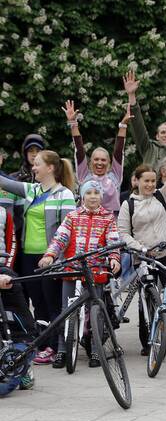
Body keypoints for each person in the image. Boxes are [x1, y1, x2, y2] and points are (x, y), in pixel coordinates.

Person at [0, 150, 77, 365]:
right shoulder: (32, 190)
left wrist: (54, 257)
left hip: (50, 259)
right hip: (28, 257)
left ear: (50, 168)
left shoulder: (65, 195)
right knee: (36, 304)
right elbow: (4, 183)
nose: (33, 168)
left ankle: (57, 346)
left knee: (52, 304)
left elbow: (68, 232)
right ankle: (43, 345)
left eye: (37, 164)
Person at [39, 180, 121, 368]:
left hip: (96, 272)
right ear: (82, 196)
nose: (93, 196)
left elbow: (113, 241)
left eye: (96, 192)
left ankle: (95, 350)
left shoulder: (108, 218)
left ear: (101, 196)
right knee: (65, 311)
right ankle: (62, 350)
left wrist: (114, 258)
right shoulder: (72, 216)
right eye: (89, 192)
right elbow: (60, 238)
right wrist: (50, 255)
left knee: (96, 311)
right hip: (72, 270)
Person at [118, 144, 166, 355]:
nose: (149, 184)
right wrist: (141, 248)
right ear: (136, 181)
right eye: (145, 180)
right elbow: (123, 234)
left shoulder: (162, 195)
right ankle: (148, 341)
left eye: (152, 180)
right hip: (144, 257)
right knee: (147, 299)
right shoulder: (128, 204)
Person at [65, 100, 128, 214]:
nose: (100, 162)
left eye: (103, 160)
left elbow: (119, 152)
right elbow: (79, 150)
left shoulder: (115, 177)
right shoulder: (84, 176)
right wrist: (73, 124)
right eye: (96, 159)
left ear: (109, 163)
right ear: (90, 162)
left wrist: (123, 126)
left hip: (110, 225)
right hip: (85, 225)